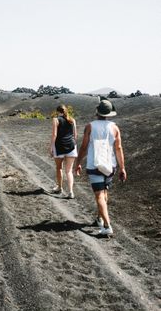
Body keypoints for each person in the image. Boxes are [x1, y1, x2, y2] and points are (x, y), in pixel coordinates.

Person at [75, 99, 127, 236]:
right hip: (110, 165)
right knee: (104, 193)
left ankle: (107, 226)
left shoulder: (90, 126)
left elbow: (84, 147)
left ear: (97, 112)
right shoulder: (115, 127)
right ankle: (99, 218)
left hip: (94, 165)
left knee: (99, 196)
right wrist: (122, 168)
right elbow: (118, 148)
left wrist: (78, 162)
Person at [50, 104, 77, 199]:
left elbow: (54, 135)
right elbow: (75, 135)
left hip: (59, 146)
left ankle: (60, 188)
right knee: (69, 171)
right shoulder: (72, 120)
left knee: (59, 168)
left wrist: (51, 147)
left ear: (58, 111)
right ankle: (71, 192)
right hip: (71, 146)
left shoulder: (55, 120)